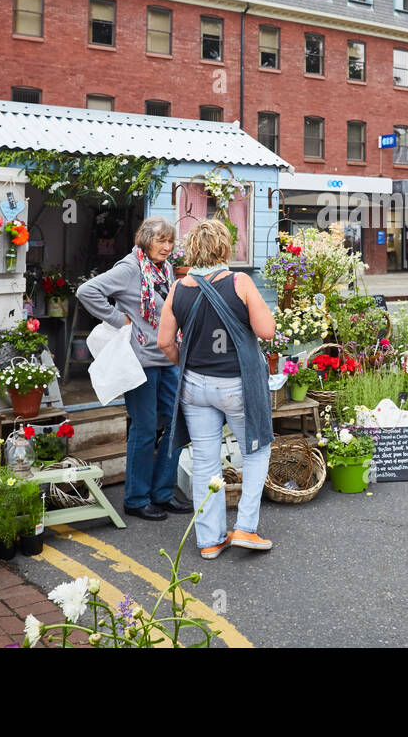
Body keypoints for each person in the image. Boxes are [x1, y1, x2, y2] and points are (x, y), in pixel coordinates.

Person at [158, 219, 277, 560]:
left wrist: (189, 361)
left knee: (205, 461)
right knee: (256, 450)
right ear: (224, 248)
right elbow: (266, 331)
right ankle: (245, 528)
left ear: (192, 250)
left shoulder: (179, 288)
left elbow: (164, 341)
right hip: (237, 385)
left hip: (195, 387)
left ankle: (210, 540)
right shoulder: (240, 282)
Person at [77, 217, 186, 521]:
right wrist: (118, 319)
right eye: (160, 241)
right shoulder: (129, 268)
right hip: (141, 361)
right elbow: (87, 291)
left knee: (177, 422)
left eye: (170, 241)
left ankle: (163, 493)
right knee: (145, 427)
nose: (166, 247)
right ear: (145, 240)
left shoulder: (163, 268)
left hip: (168, 357)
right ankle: (136, 499)